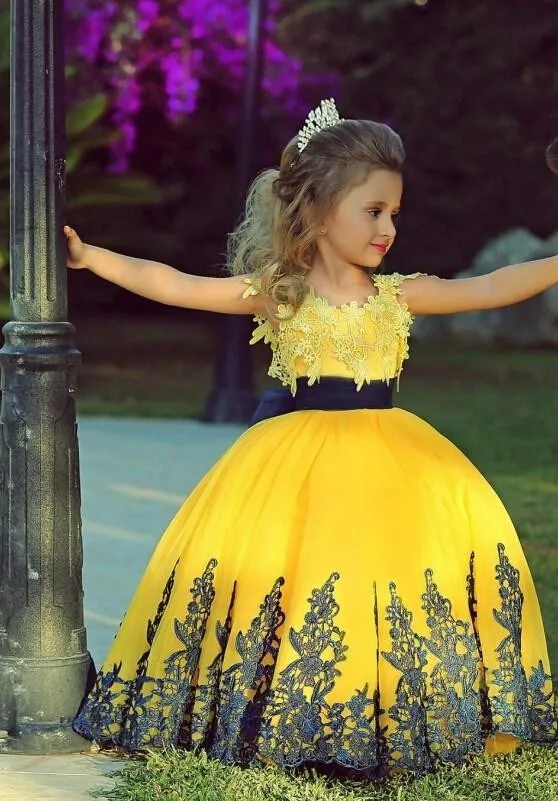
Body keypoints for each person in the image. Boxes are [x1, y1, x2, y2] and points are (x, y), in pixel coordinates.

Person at [68, 99, 558, 779]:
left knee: (393, 578)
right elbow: (176, 283)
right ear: (321, 210)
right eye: (373, 210)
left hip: (395, 460)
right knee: (295, 582)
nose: (388, 226)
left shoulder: (399, 296)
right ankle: (286, 713)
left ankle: (397, 714)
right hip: (293, 460)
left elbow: (495, 285)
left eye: (394, 212)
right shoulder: (281, 293)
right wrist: (94, 257)